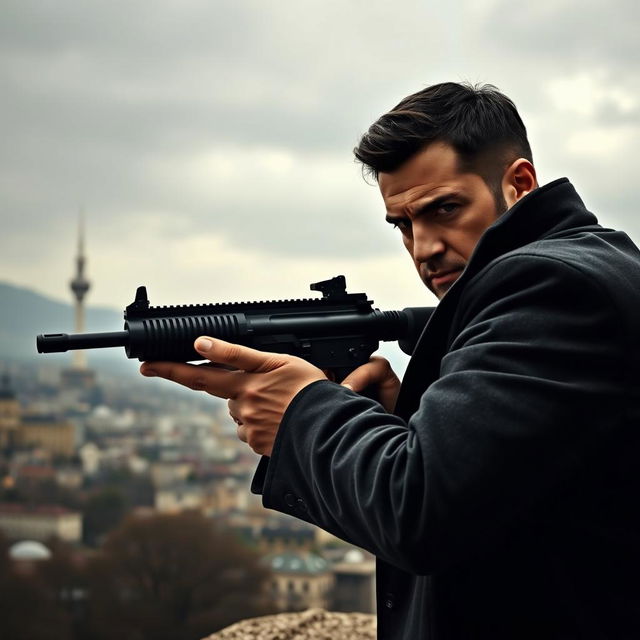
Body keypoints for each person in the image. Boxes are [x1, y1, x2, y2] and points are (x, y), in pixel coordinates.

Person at [140, 82, 640, 638]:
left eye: (445, 209)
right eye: (403, 224)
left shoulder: (548, 285)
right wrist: (406, 424)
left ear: (518, 184)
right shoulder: (593, 262)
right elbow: (534, 490)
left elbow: (420, 514)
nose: (423, 246)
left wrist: (302, 413)